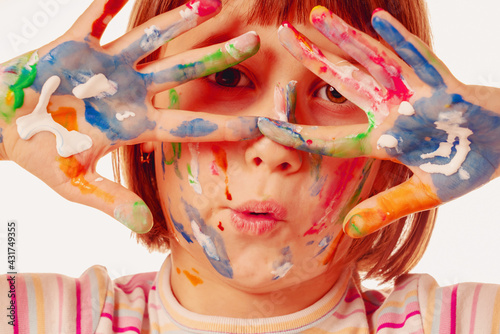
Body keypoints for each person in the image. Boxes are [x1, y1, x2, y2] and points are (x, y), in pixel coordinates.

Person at [0, 0, 499, 333]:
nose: (277, 142)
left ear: (395, 161)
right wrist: (9, 116)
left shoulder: (456, 323)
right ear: (138, 122)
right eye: (228, 76)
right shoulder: (45, 319)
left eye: (335, 92)